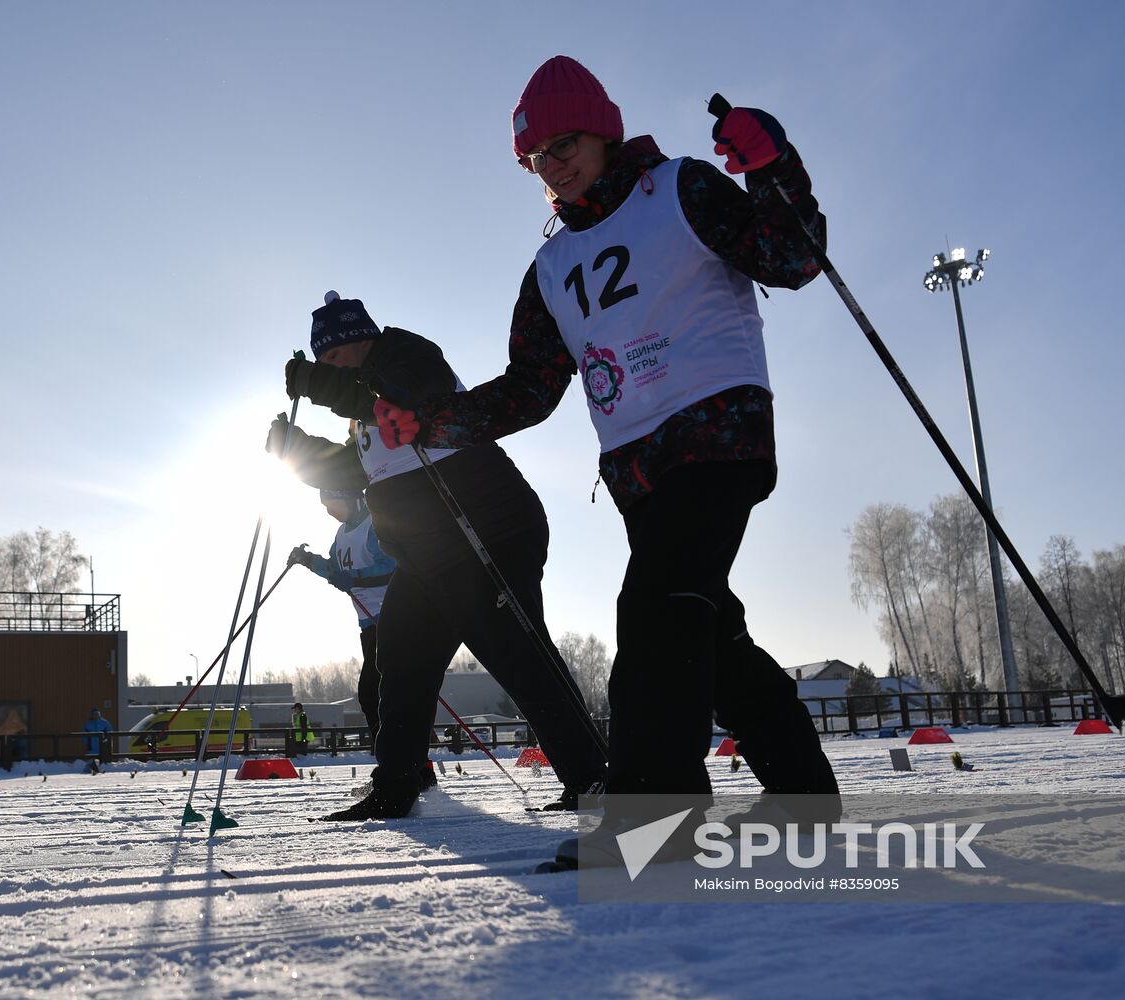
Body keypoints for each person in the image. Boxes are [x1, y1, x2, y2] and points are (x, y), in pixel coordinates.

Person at [371, 56, 839, 817]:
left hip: (717, 435)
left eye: (565, 146)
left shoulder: (680, 187)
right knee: (708, 632)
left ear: (605, 133)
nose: (551, 168)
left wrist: (773, 166)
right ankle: (804, 795)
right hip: (638, 470)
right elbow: (529, 389)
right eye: (534, 158)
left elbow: (790, 257)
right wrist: (430, 423)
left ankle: (653, 812)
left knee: (654, 611)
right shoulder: (552, 264)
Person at [268, 293, 607, 820]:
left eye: (335, 358)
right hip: (425, 556)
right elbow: (352, 472)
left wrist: (318, 385)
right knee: (399, 663)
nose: (332, 369)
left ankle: (593, 776)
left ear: (361, 341)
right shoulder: (360, 417)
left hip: (485, 532)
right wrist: (294, 448)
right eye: (325, 364)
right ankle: (396, 784)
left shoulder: (407, 356)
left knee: (519, 657)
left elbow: (404, 398)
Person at [287, 487, 437, 789]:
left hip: (396, 617)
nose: (331, 511)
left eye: (334, 504)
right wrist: (308, 560)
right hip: (368, 624)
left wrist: (354, 579)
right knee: (377, 696)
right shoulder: (342, 535)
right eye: (327, 507)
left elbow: (392, 567)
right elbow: (334, 570)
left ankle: (403, 768)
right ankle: (412, 767)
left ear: (352, 498)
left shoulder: (374, 525)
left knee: (375, 693)